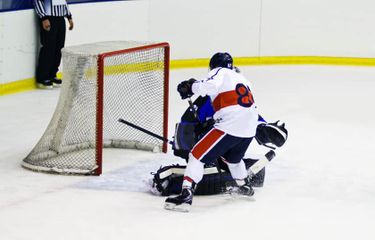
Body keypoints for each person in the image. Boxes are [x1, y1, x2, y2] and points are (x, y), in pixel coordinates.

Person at [164, 52, 260, 212]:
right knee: (233, 159)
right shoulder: (242, 78)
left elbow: (210, 86)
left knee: (196, 156)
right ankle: (244, 187)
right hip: (250, 128)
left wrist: (191, 86)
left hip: (230, 125)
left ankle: (186, 196)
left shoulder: (219, 71)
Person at [33, 0, 74, 89]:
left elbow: (63, 1)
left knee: (59, 48)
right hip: (49, 18)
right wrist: (43, 17)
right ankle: (42, 77)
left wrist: (69, 16)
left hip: (60, 19)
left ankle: (52, 74)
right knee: (49, 48)